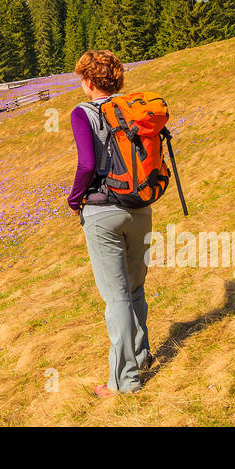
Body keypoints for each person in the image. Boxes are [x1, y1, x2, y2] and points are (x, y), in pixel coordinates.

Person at [67, 49, 152, 396]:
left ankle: (125, 382)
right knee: (135, 289)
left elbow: (87, 165)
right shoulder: (134, 108)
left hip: (103, 213)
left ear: (89, 82)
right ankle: (142, 356)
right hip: (141, 207)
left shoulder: (82, 113)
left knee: (115, 297)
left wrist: (74, 199)